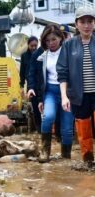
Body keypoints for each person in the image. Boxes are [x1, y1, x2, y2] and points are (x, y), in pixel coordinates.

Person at [57, 7, 95, 167]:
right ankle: (88, 162)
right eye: (82, 22)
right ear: (76, 24)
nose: (86, 25)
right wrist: (64, 96)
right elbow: (62, 72)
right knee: (84, 129)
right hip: (79, 95)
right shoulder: (68, 45)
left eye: (90, 21)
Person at [36, 24, 74, 163]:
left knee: (67, 128)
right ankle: (45, 151)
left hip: (68, 92)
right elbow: (39, 78)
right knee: (48, 117)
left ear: (61, 38)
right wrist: (40, 99)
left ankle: (66, 156)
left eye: (53, 39)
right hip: (50, 91)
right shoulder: (42, 56)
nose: (50, 43)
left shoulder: (68, 53)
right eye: (47, 40)